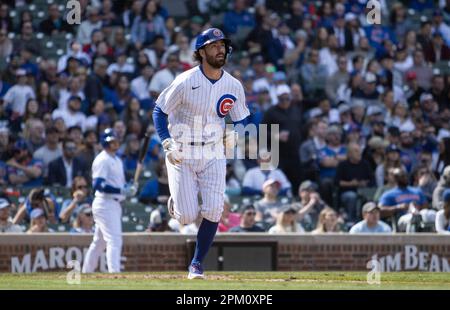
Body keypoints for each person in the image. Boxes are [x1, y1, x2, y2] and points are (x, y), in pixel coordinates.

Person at [152, 28, 250, 279]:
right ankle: (176, 202)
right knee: (186, 216)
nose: (220, 49)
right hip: (182, 149)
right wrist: (166, 143)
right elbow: (159, 111)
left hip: (214, 151)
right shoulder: (185, 80)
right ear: (201, 51)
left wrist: (235, 134)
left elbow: (241, 119)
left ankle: (196, 264)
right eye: (214, 45)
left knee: (214, 210)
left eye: (223, 45)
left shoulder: (233, 84)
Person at [82, 128, 138, 274]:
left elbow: (118, 182)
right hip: (105, 203)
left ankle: (86, 272)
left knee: (99, 242)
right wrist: (121, 190)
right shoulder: (102, 159)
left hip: (113, 204)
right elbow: (98, 185)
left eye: (116, 140)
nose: (115, 143)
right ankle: (114, 273)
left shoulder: (117, 159)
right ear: (105, 142)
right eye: (111, 141)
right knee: (114, 239)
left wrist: (129, 186)